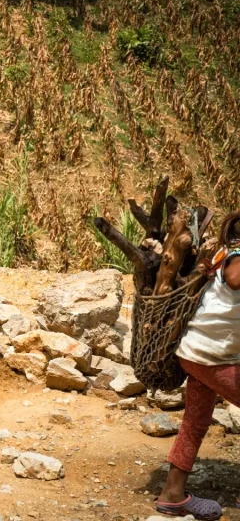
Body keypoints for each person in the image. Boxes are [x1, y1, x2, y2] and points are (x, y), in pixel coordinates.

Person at [155, 212, 240, 520]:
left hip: (198, 352)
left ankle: (172, 495)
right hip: (211, 356)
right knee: (196, 420)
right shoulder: (236, 254)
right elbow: (234, 279)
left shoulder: (225, 250)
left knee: (196, 420)